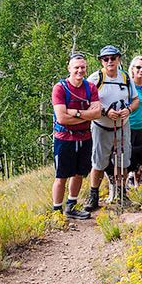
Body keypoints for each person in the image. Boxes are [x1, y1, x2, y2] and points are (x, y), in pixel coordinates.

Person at [84, 45, 139, 211]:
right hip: (101, 126)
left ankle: (122, 194)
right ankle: (93, 196)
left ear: (118, 59)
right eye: (105, 59)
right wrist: (105, 111)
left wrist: (128, 110)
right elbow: (86, 102)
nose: (109, 61)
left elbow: (135, 100)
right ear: (101, 61)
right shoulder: (95, 79)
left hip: (122, 126)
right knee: (99, 162)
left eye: (112, 58)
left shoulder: (125, 77)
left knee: (122, 161)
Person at [52, 53, 101, 219]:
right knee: (61, 176)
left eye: (83, 67)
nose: (80, 71)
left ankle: (71, 207)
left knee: (79, 173)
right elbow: (61, 118)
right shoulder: (60, 88)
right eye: (76, 68)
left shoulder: (90, 88)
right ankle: (56, 212)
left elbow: (97, 113)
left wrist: (76, 113)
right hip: (64, 138)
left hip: (85, 137)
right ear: (69, 69)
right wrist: (86, 114)